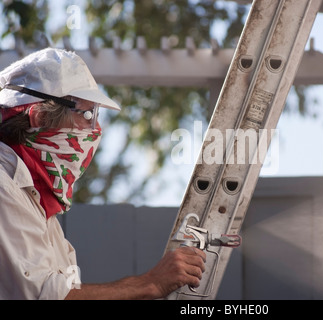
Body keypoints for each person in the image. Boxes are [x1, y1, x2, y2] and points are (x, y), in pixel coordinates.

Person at [0, 48, 205, 300]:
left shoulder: (37, 205)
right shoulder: (4, 186)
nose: (95, 130)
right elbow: (47, 295)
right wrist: (150, 283)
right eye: (87, 115)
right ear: (41, 118)